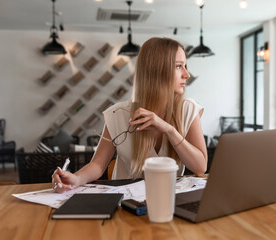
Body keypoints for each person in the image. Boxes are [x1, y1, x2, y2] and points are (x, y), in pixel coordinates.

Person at [52, 37, 207, 192]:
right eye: (179, 66)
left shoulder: (188, 109)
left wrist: (169, 130)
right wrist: (76, 178)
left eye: (185, 66)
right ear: (157, 70)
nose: (186, 74)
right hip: (126, 203)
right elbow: (98, 165)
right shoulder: (118, 114)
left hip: (168, 201)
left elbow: (200, 168)